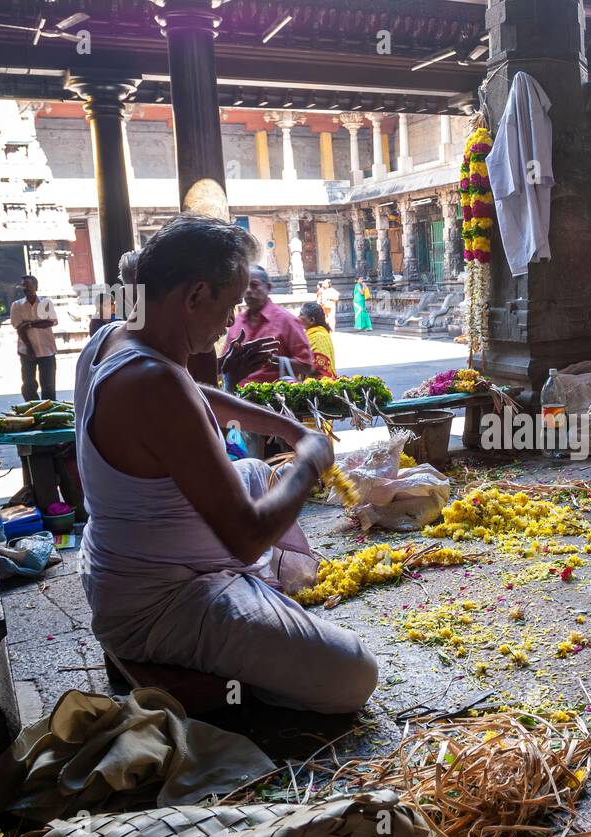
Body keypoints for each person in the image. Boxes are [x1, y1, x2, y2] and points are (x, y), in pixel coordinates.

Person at [74, 214, 378, 713]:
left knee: (257, 472)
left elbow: (199, 396)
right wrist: (310, 457)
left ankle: (244, 620)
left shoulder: (115, 338)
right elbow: (246, 536)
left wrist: (287, 429)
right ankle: (191, 678)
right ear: (195, 296)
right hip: (161, 601)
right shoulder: (152, 382)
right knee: (353, 675)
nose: (231, 318)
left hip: (123, 563)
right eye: (230, 302)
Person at [222, 266, 314, 384]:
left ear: (268, 288)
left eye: (254, 285)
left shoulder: (287, 321)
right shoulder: (237, 321)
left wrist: (271, 359)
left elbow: (306, 366)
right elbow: (224, 363)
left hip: (275, 398)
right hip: (238, 397)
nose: (249, 290)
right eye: (245, 286)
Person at [10, 274, 58, 401]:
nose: (26, 288)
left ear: (36, 287)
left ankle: (49, 411)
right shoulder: (17, 305)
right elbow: (19, 328)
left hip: (46, 348)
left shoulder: (46, 303)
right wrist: (30, 348)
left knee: (48, 384)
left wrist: (29, 323)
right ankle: (34, 410)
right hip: (26, 350)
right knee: (28, 385)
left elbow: (51, 322)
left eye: (29, 285)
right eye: (23, 286)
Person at [298, 301, 337, 379]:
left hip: (319, 385)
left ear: (312, 320)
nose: (298, 317)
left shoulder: (317, 336)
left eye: (301, 314)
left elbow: (318, 369)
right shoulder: (318, 333)